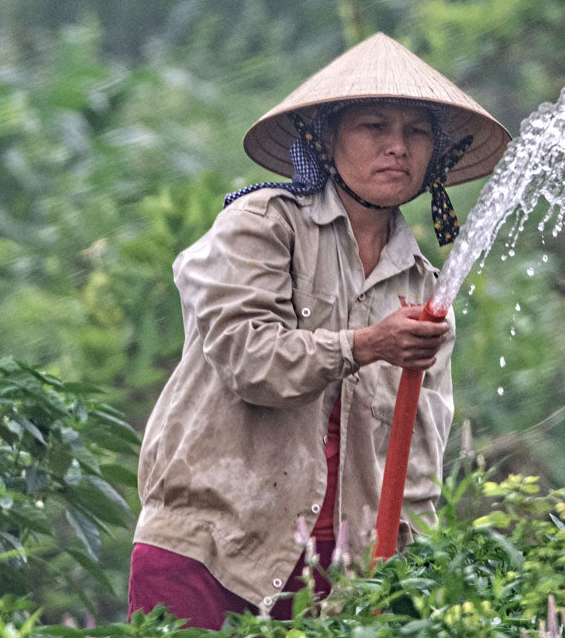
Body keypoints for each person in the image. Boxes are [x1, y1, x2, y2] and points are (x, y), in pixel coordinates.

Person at [127, 33, 511, 629]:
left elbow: (419, 459)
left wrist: (407, 579)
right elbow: (249, 360)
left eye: (416, 132)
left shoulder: (425, 289)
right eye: (373, 127)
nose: (397, 148)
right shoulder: (260, 226)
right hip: (208, 552)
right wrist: (367, 345)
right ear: (325, 139)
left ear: (435, 154)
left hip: (337, 581)